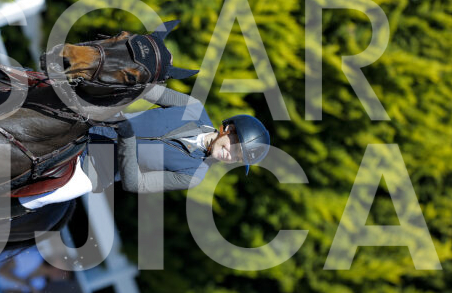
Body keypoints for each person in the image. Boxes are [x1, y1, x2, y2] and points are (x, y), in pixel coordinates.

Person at [16, 84, 271, 210]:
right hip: (90, 125)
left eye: (237, 158)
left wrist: (126, 137)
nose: (231, 155)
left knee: (33, 200)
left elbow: (134, 183)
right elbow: (146, 90)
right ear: (229, 129)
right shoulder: (192, 108)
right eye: (235, 148)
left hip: (91, 169)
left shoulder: (194, 175)